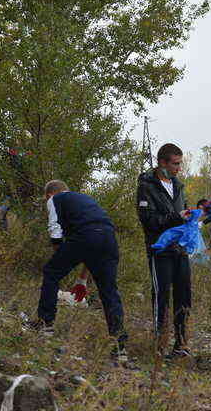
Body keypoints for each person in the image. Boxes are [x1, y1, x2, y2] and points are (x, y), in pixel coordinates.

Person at [25, 180, 128, 362]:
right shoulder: (85, 201)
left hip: (87, 236)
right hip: (109, 239)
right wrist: (82, 280)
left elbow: (55, 230)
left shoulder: (55, 199)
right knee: (109, 292)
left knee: (50, 273)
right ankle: (120, 349)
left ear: (49, 195)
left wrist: (60, 260)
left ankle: (45, 324)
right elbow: (93, 245)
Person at [137, 143, 193, 360]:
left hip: (180, 250)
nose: (179, 168)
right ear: (162, 163)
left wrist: (191, 222)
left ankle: (181, 344)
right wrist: (177, 217)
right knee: (161, 296)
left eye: (180, 163)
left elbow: (182, 214)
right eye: (176, 164)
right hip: (159, 251)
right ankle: (160, 346)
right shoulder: (146, 186)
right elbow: (148, 221)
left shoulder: (178, 186)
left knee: (184, 296)